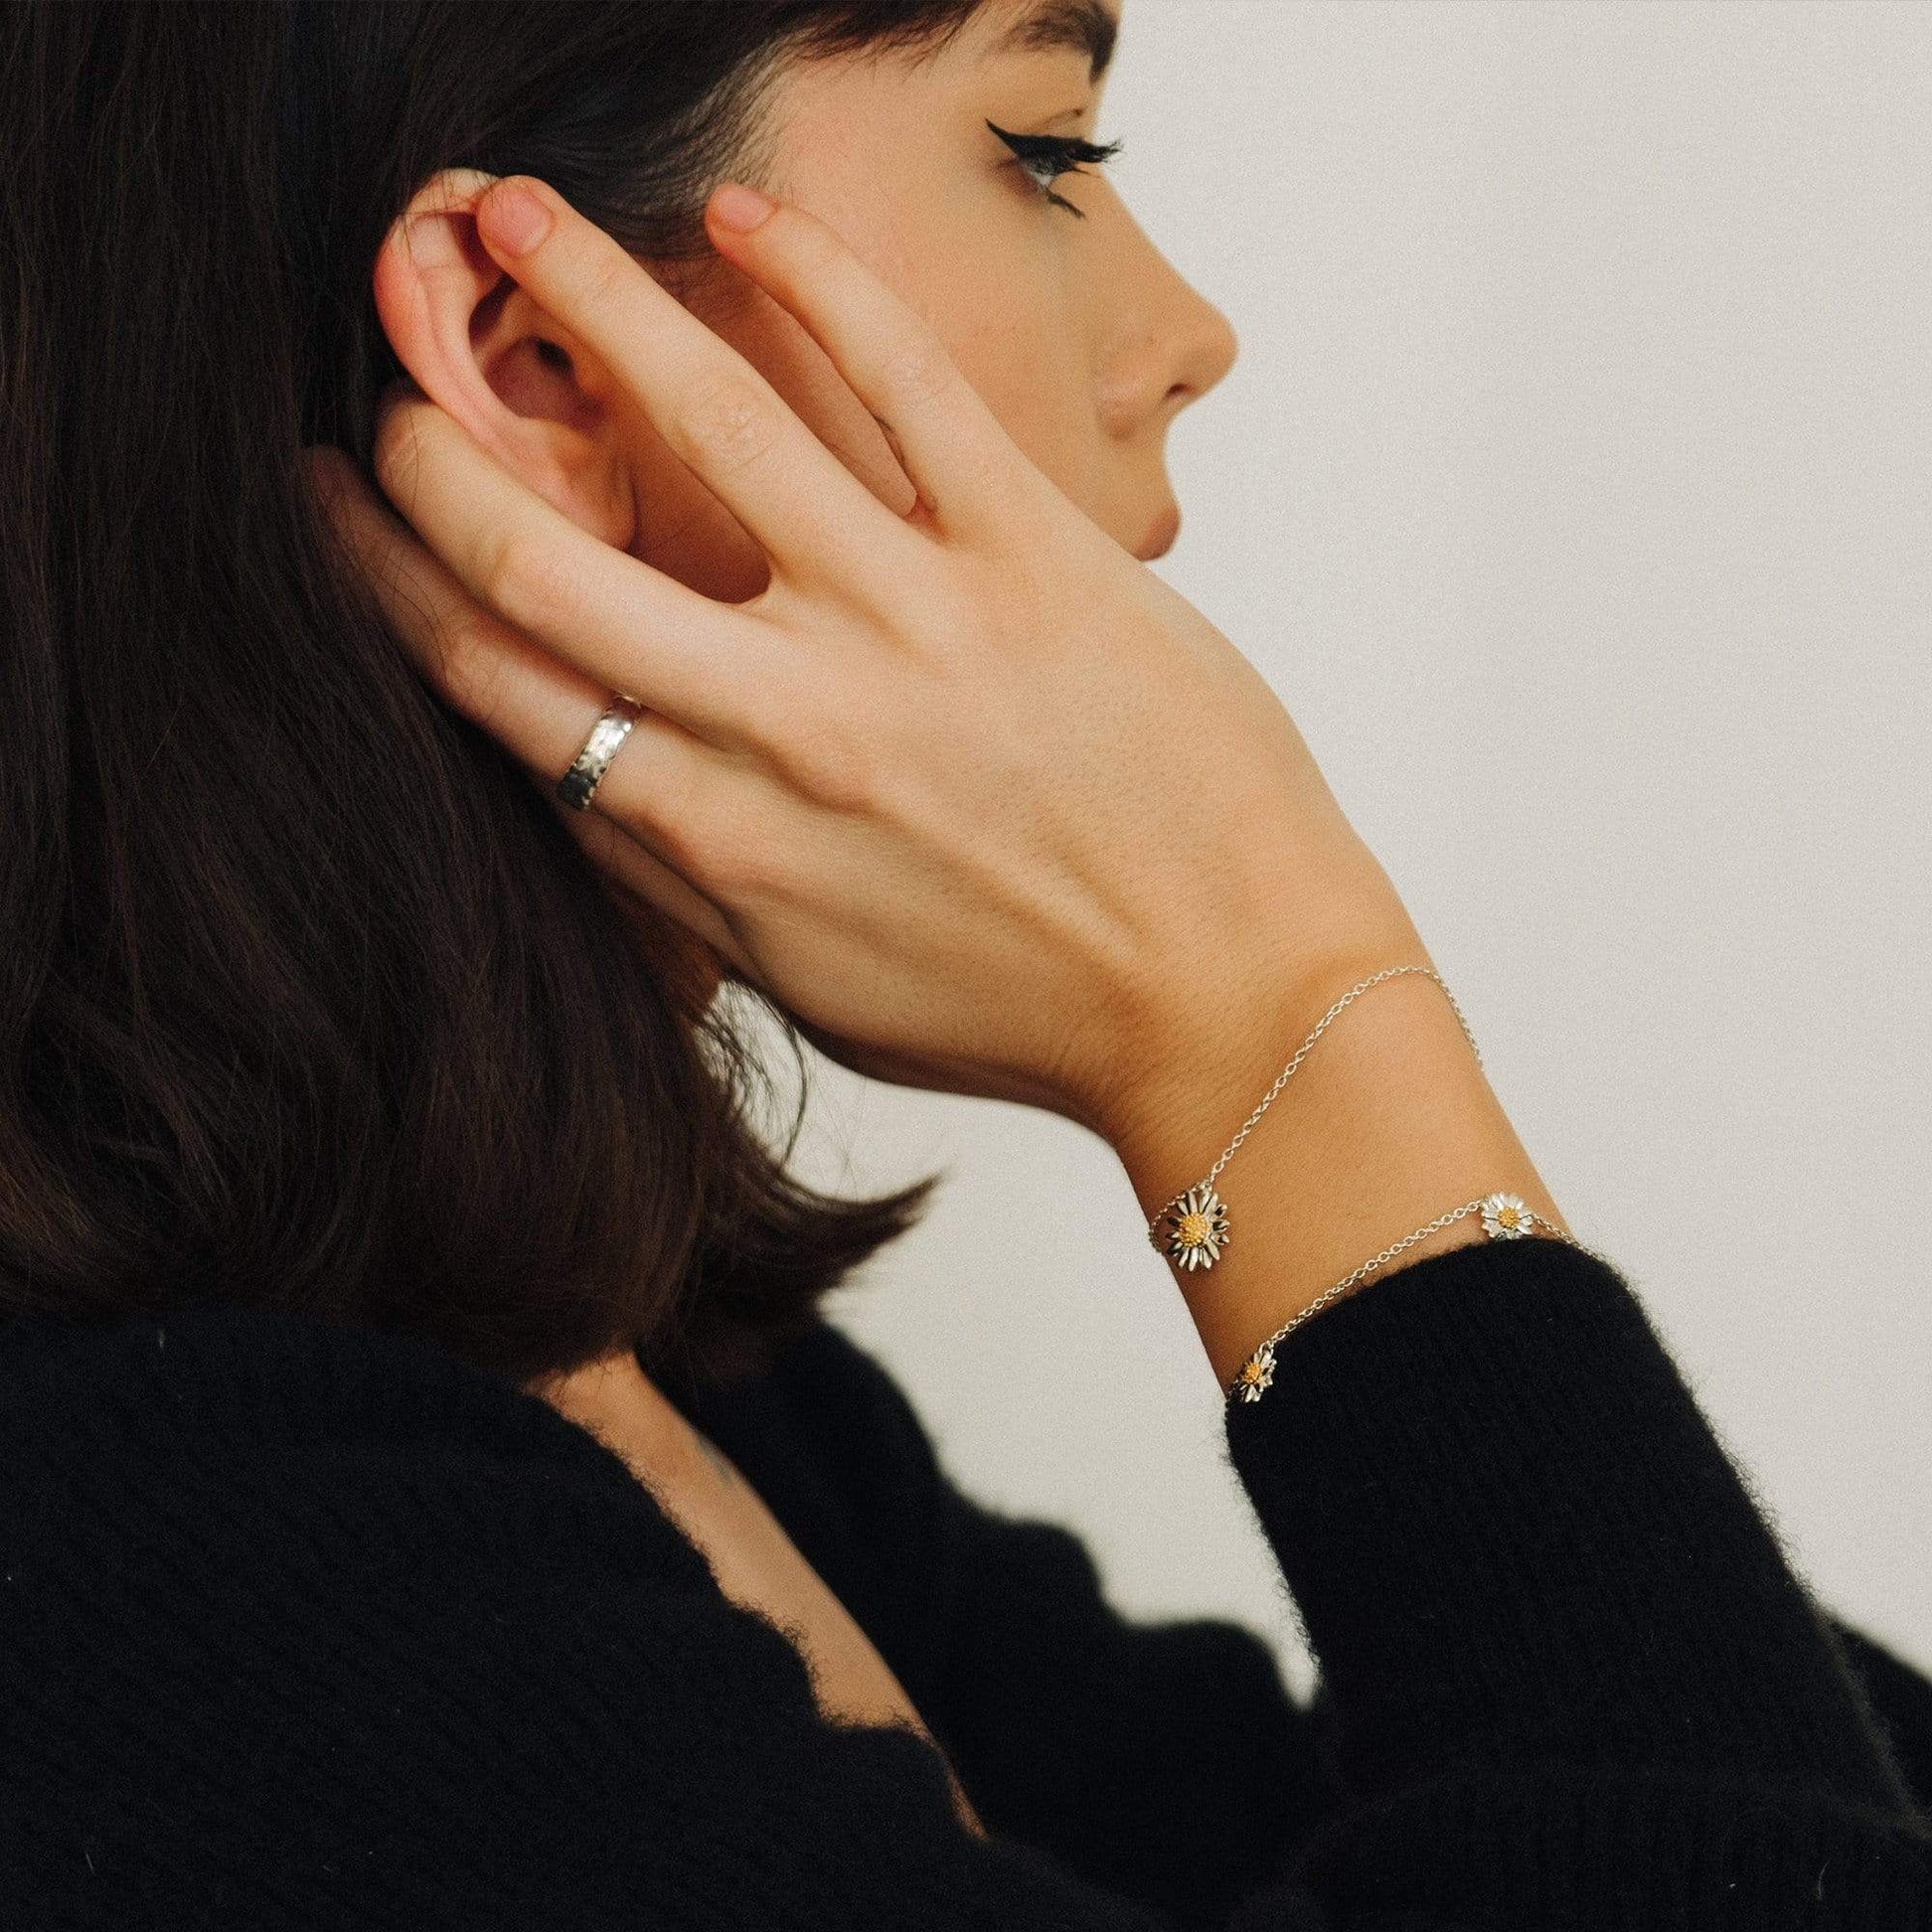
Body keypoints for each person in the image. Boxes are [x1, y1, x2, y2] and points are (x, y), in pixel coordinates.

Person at [1, 2, 1927, 1925]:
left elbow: (1786, 1814)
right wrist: (1273, 1024)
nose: (1189, 336)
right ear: (548, 366)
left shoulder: (689, 1415)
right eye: (1048, 155)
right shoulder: (201, 1577)